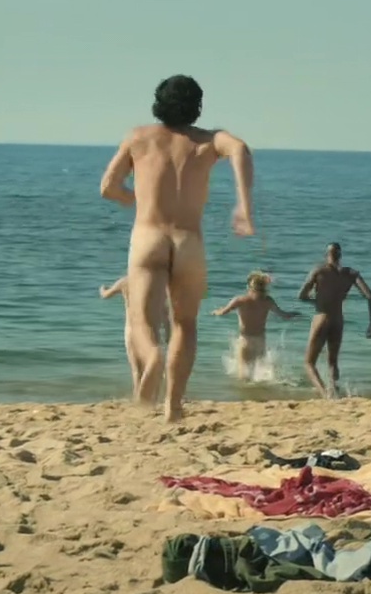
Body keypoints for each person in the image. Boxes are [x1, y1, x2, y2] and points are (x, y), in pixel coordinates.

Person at [99, 75, 254, 422]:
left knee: (142, 320)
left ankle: (152, 357)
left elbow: (107, 187)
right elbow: (241, 149)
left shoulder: (139, 137)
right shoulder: (209, 141)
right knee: (185, 324)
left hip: (148, 237)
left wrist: (135, 199)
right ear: (197, 106)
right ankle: (174, 405)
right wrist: (244, 206)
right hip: (188, 242)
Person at [297, 242, 371, 399]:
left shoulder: (318, 271)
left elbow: (301, 296)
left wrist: (316, 301)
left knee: (309, 363)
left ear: (326, 255)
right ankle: (334, 390)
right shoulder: (351, 274)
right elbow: (370, 297)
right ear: (340, 256)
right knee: (332, 362)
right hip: (338, 320)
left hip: (321, 318)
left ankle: (325, 393)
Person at [212, 270, 298, 380]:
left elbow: (223, 312)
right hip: (260, 341)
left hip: (245, 340)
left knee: (243, 375)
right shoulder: (268, 301)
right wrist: (294, 314)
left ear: (249, 286)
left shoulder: (240, 300)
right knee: (259, 374)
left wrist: (216, 312)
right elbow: (283, 315)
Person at [99, 274, 169, 356]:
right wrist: (168, 334)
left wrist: (102, 288)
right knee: (152, 359)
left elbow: (105, 295)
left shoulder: (125, 282)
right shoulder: (157, 285)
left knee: (135, 363)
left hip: (131, 331)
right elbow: (165, 312)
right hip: (150, 331)